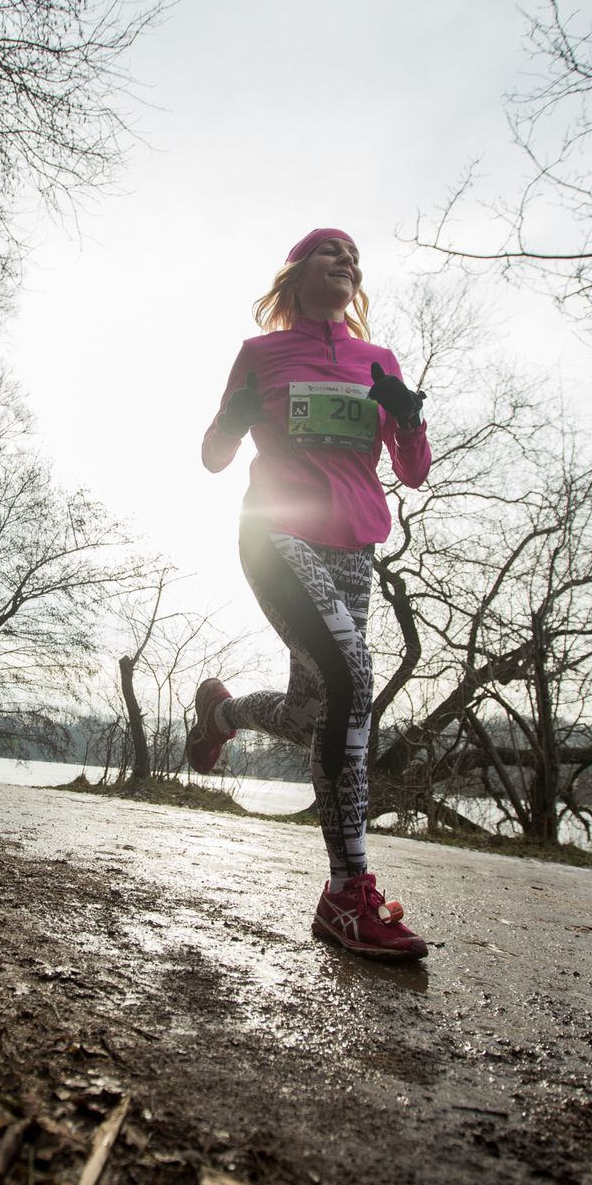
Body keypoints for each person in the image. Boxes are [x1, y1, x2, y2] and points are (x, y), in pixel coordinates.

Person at [188, 227, 432, 961]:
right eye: (331, 252)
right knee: (351, 678)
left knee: (310, 711)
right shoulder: (261, 353)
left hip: (353, 551)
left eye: (354, 257)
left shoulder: (377, 361)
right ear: (295, 273)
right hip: (276, 532)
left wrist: (410, 416)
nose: (346, 261)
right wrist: (231, 422)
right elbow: (214, 457)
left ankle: (221, 714)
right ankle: (347, 891)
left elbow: (413, 472)